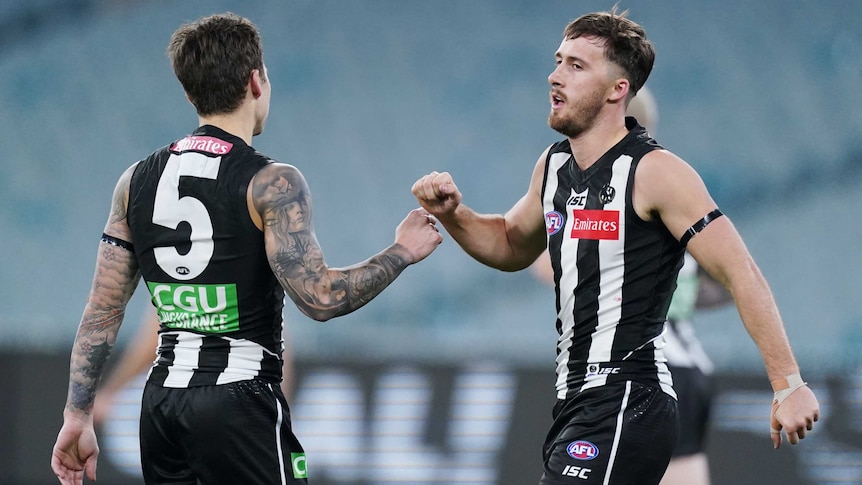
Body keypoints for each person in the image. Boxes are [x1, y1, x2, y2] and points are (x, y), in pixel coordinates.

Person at [412, 8, 819, 485]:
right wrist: (453, 214)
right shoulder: (554, 164)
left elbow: (739, 271)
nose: (555, 75)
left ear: (617, 90)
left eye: (576, 66)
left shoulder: (657, 172)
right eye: (559, 61)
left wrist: (788, 383)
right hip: (574, 401)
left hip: (629, 395)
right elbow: (509, 244)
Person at [51, 12, 442, 485]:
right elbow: (321, 297)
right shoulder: (271, 182)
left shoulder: (134, 181)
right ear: (256, 81)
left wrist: (78, 414)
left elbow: (103, 309)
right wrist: (402, 250)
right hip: (238, 402)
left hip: (161, 405)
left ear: (191, 93)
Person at [530, 86, 731, 485]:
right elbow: (719, 281)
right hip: (689, 369)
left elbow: (543, 266)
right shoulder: (671, 190)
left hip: (633, 370)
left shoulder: (617, 190)